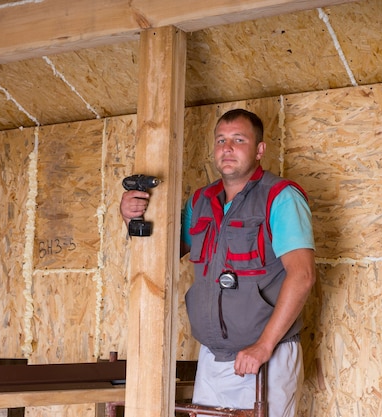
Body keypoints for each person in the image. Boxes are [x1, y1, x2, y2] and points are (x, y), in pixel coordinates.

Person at [120, 108, 315, 417]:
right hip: (213, 356)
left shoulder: (280, 197)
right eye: (221, 140)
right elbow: (164, 256)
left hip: (267, 356)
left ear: (260, 149)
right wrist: (132, 218)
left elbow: (302, 275)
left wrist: (263, 346)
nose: (227, 148)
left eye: (239, 140)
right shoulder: (200, 202)